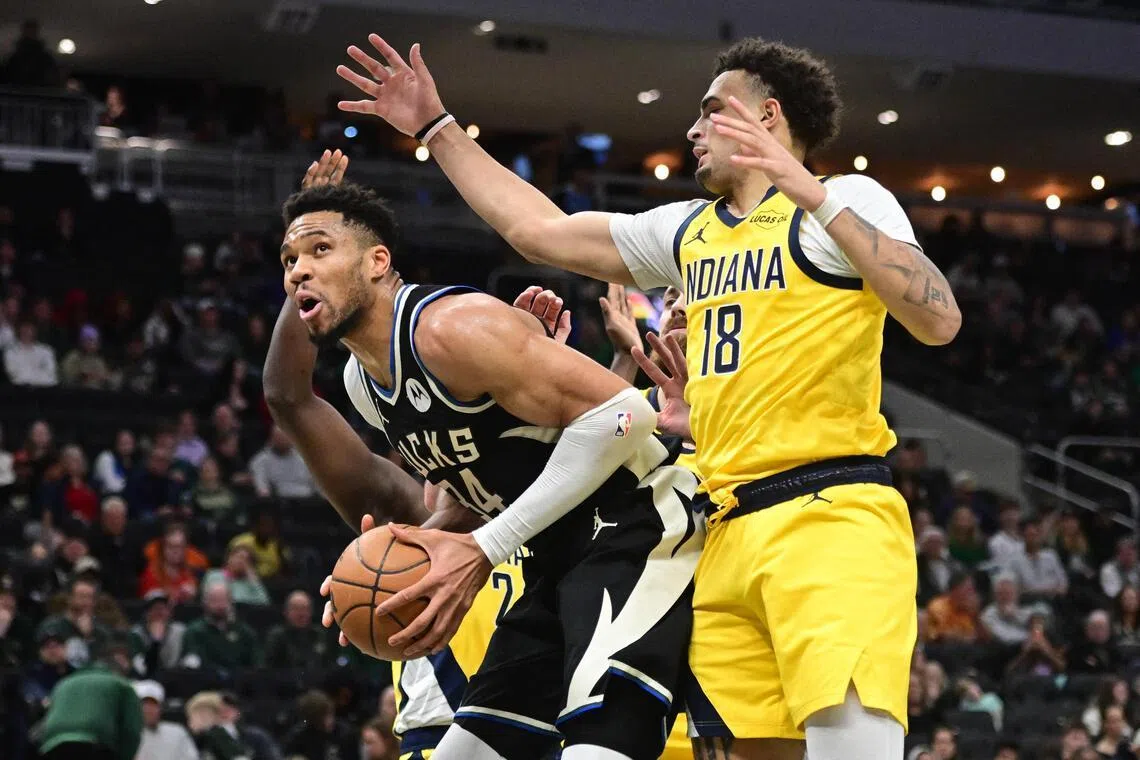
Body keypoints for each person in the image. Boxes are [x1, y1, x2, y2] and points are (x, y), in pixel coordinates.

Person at [338, 32, 961, 759]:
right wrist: (438, 127)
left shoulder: (846, 202)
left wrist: (811, 192)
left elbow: (938, 318)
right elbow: (538, 230)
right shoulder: (689, 232)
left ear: (767, 116)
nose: (692, 130)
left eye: (710, 111)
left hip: (830, 514)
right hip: (722, 525)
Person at [274, 153, 703, 760]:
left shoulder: (453, 328)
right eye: (290, 261)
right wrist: (415, 550)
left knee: (595, 751)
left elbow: (626, 416)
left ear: (377, 263)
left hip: (640, 526)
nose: (298, 272)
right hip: (554, 554)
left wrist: (484, 549)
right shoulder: (360, 385)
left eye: (320, 251)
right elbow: (467, 492)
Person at [33, 651, 143, 760]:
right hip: (93, 744)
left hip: (52, 745)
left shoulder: (63, 683)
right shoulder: (121, 684)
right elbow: (131, 730)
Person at [134, 680, 199, 760]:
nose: (148, 710)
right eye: (144, 704)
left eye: (153, 705)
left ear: (161, 707)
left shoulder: (177, 733)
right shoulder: (126, 735)